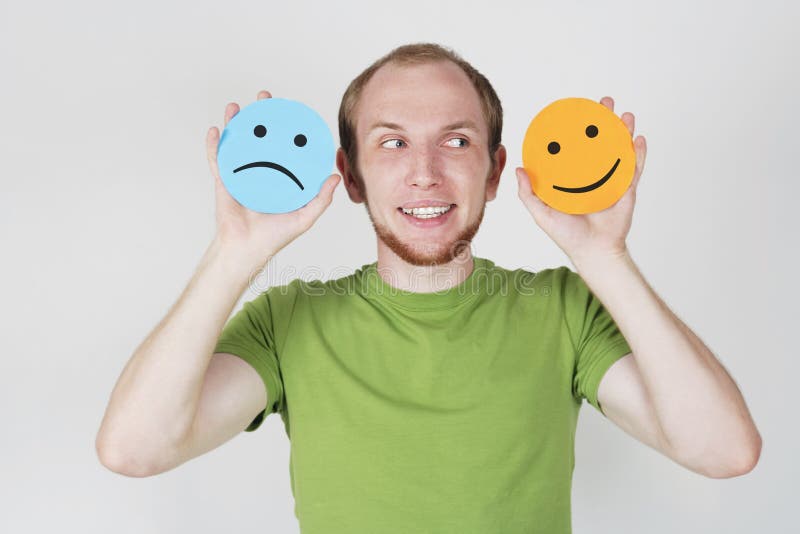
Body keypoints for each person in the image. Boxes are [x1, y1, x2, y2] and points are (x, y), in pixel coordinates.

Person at [96, 43, 762, 533]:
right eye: (391, 144)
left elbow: (725, 452)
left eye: (457, 141)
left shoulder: (566, 309)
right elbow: (133, 450)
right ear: (349, 177)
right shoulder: (288, 320)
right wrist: (234, 251)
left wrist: (606, 257)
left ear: (496, 171)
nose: (425, 174)